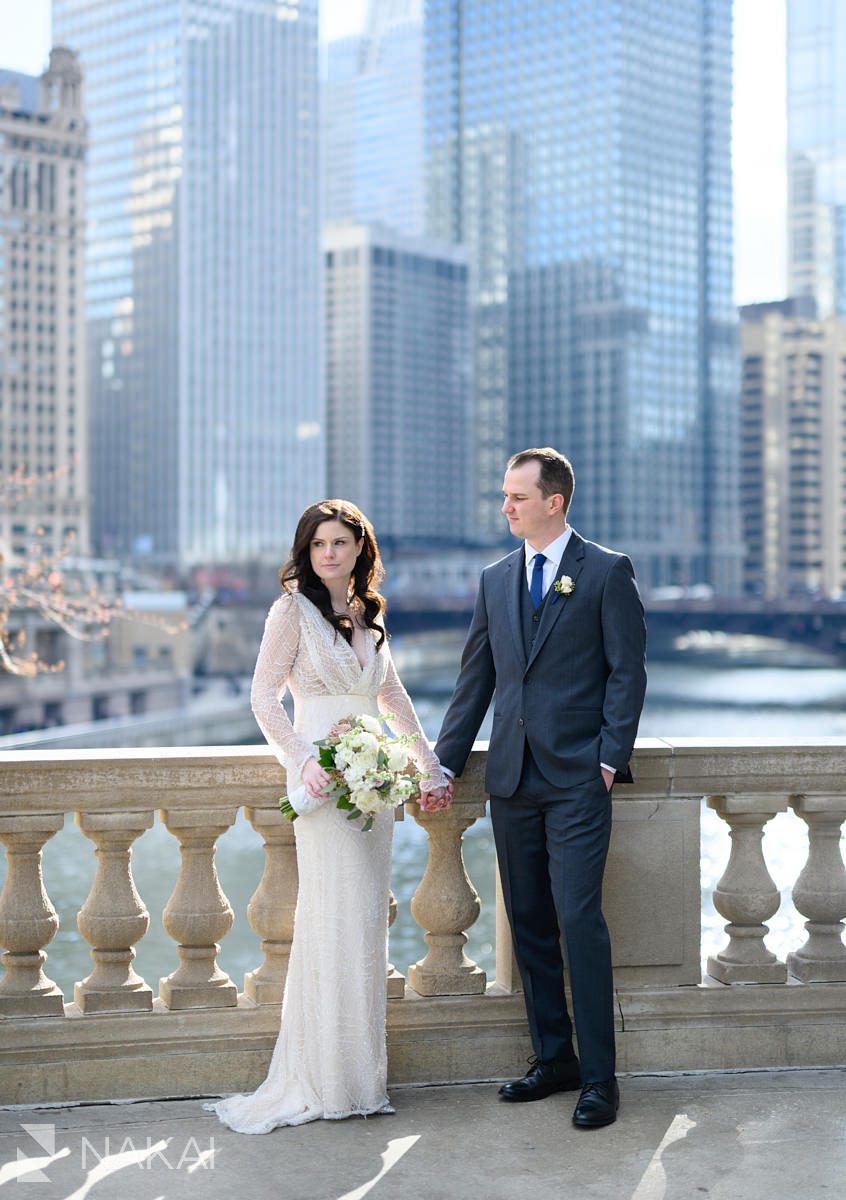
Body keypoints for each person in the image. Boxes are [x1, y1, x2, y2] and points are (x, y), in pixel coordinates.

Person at [205, 500, 451, 1135]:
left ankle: (360, 1080)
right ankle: (322, 1078)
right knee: (330, 918)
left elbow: (390, 697)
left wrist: (426, 765)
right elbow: (262, 696)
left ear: (359, 550)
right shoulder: (290, 612)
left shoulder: (370, 615)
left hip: (374, 787)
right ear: (306, 551)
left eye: (340, 542)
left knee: (367, 921)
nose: (329, 554)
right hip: (321, 781)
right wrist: (301, 760)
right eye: (318, 544)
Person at [428, 448, 646, 1129]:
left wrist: (610, 758)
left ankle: (600, 1080)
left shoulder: (607, 572)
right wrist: (442, 764)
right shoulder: (495, 579)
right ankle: (555, 1059)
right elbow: (476, 682)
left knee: (579, 919)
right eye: (504, 495)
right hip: (512, 779)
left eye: (517, 496)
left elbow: (626, 672)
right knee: (528, 924)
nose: (505, 507)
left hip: (580, 779)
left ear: (554, 501)